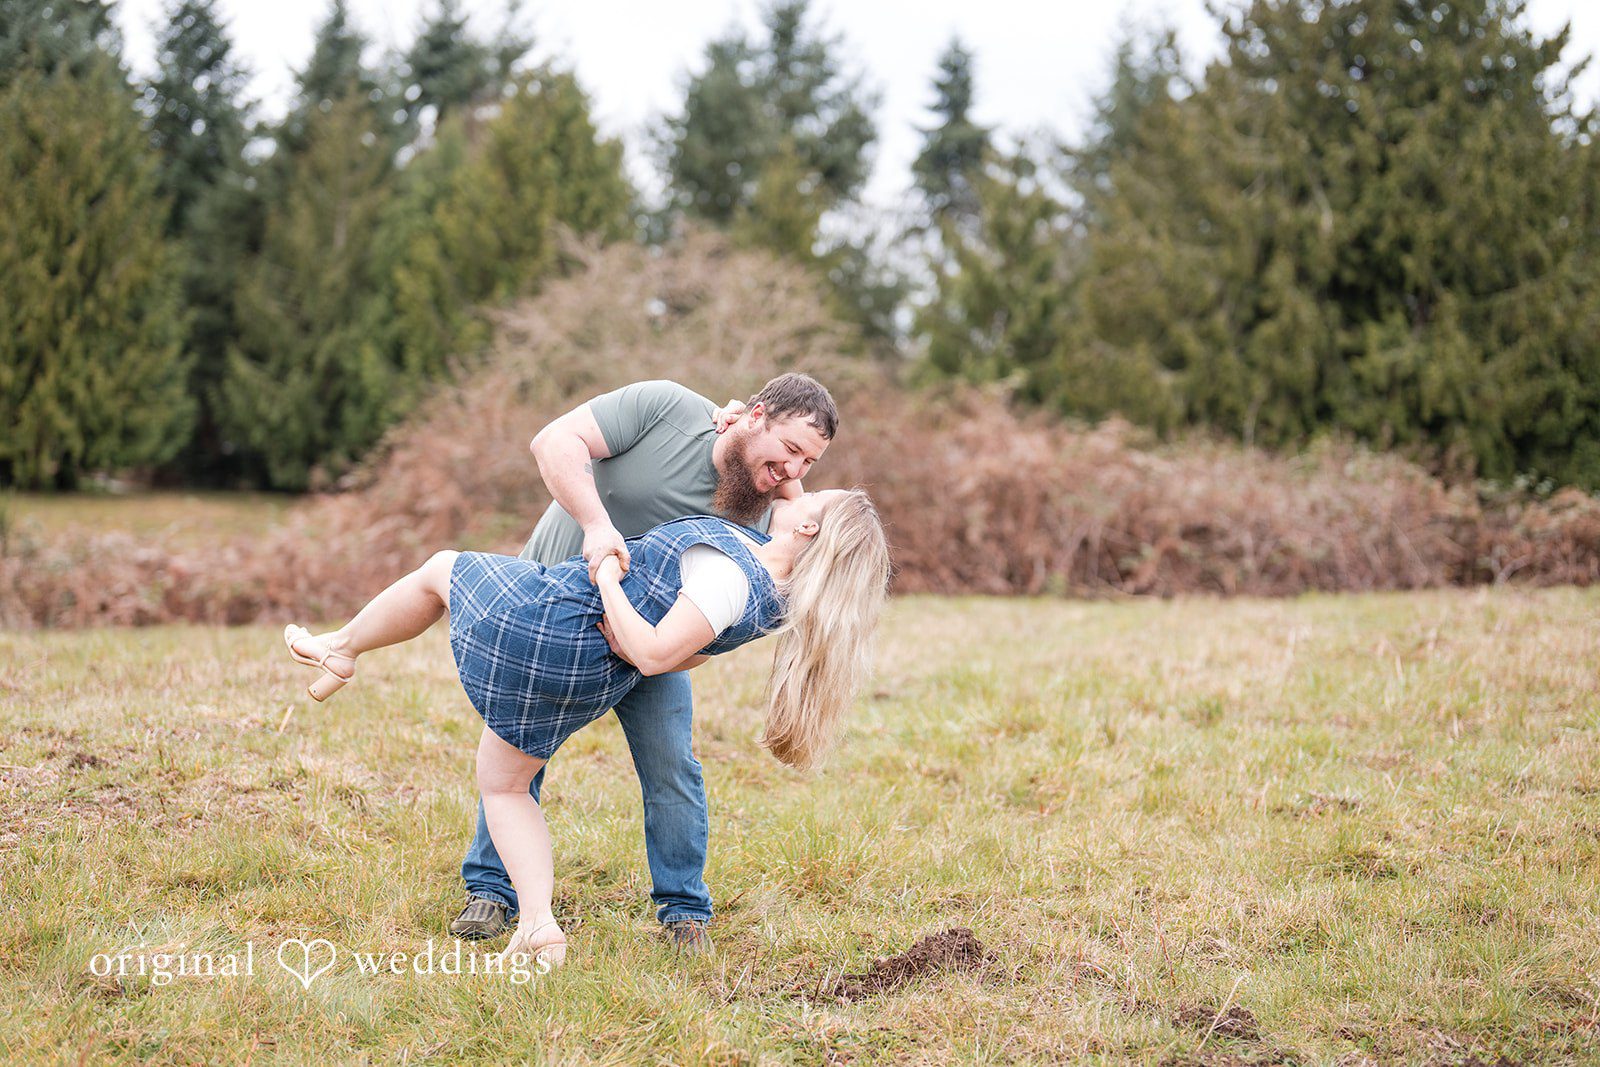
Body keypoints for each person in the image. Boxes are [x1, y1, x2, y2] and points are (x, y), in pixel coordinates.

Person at [283, 488, 892, 968]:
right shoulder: (775, 592)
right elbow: (686, 655)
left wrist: (605, 576)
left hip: (556, 622)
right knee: (505, 786)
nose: (800, 485)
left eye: (816, 493)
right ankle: (537, 926)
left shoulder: (730, 576)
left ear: (810, 528)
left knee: (441, 568)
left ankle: (343, 647)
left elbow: (654, 654)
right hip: (592, 675)